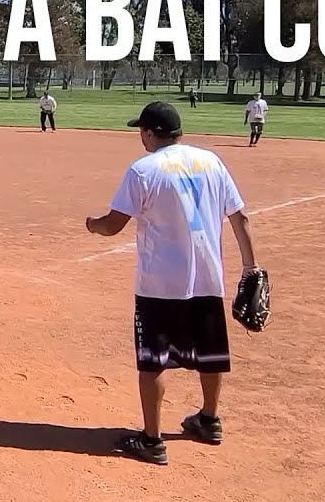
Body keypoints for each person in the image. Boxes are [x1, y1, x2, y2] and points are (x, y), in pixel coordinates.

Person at [84, 101, 260, 465]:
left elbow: (113, 224)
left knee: (153, 362)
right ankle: (209, 421)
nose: (141, 138)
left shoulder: (143, 170)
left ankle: (152, 439)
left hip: (160, 284)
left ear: (149, 133)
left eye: (141, 132)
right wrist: (250, 268)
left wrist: (92, 224)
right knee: (210, 355)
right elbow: (240, 217)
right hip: (208, 278)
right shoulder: (212, 162)